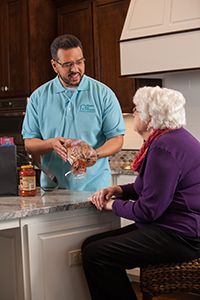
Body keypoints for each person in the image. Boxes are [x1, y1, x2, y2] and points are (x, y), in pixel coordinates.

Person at [81, 86, 200, 300]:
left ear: (151, 117)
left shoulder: (163, 148)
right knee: (90, 246)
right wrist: (118, 190)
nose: (134, 113)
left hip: (181, 236)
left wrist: (111, 205)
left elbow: (148, 211)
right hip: (177, 228)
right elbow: (150, 188)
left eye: (137, 109)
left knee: (96, 254)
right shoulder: (172, 138)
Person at [22, 34, 125, 191]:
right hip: (53, 189)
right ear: (54, 65)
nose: (75, 69)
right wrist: (51, 144)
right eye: (68, 64)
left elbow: (117, 139)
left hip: (96, 190)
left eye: (79, 62)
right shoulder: (38, 97)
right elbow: (29, 143)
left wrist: (94, 155)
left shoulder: (103, 94)